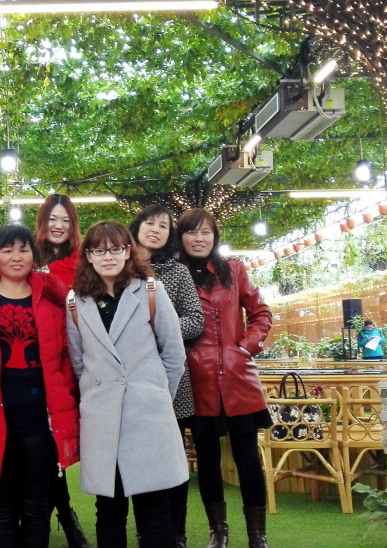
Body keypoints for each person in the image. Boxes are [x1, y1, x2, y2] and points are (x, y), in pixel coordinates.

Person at [0, 225, 80, 548]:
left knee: (37, 506)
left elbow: (67, 358)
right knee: (2, 508)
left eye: (23, 249)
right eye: (7, 250)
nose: (16, 256)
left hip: (40, 421)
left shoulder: (53, 301)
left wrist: (63, 401)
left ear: (34, 256)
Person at [66, 220, 188, 548]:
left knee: (154, 510)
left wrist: (155, 395)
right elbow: (79, 362)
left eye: (115, 249)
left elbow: (173, 354)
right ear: (88, 256)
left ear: (127, 252)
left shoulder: (150, 290)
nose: (107, 256)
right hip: (102, 418)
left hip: (147, 415)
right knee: (109, 509)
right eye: (98, 250)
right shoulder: (76, 302)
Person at [176, 209, 273, 548]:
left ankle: (257, 534)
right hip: (196, 379)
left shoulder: (234, 270)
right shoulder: (175, 275)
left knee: (248, 459)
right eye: (191, 232)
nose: (198, 238)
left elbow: (261, 312)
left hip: (237, 377)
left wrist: (246, 346)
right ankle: (218, 531)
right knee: (208, 461)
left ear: (215, 236)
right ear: (181, 237)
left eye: (205, 232)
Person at [129, 205, 204, 548]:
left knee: (171, 460)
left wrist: (159, 331)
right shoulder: (120, 269)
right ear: (137, 227)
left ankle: (177, 532)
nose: (156, 229)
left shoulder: (177, 271)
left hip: (171, 379)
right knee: (137, 458)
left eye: (164, 225)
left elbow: (196, 319)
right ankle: (146, 530)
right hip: (131, 379)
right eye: (150, 222)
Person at [34, 193, 89, 548]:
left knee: (58, 442)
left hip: (71, 361)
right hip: (31, 363)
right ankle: (63, 515)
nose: (58, 226)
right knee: (40, 444)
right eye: (52, 218)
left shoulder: (83, 261)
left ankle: (66, 515)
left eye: (65, 220)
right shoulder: (27, 256)